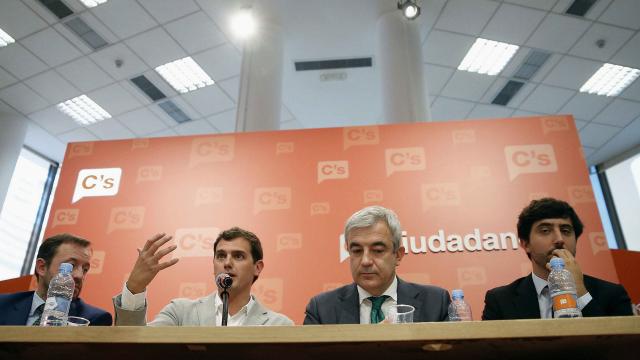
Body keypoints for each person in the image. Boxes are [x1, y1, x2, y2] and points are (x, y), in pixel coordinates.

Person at [482, 198, 633, 320]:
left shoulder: (613, 294)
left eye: (566, 231)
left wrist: (579, 290)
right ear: (525, 244)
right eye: (545, 230)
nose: (559, 239)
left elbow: (618, 347)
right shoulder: (500, 300)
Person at [113, 227, 293, 326]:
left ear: (257, 267)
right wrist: (135, 287)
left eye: (238, 256)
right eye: (221, 256)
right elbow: (137, 349)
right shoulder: (180, 312)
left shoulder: (279, 325)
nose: (227, 263)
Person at [304, 206, 450, 324]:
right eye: (357, 251)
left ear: (398, 255)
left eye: (378, 250)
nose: (365, 261)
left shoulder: (436, 302)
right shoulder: (321, 309)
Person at [0, 233, 112, 326]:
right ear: (42, 267)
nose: (79, 275)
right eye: (71, 265)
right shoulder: (3, 306)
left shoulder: (94, 319)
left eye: (85, 269)